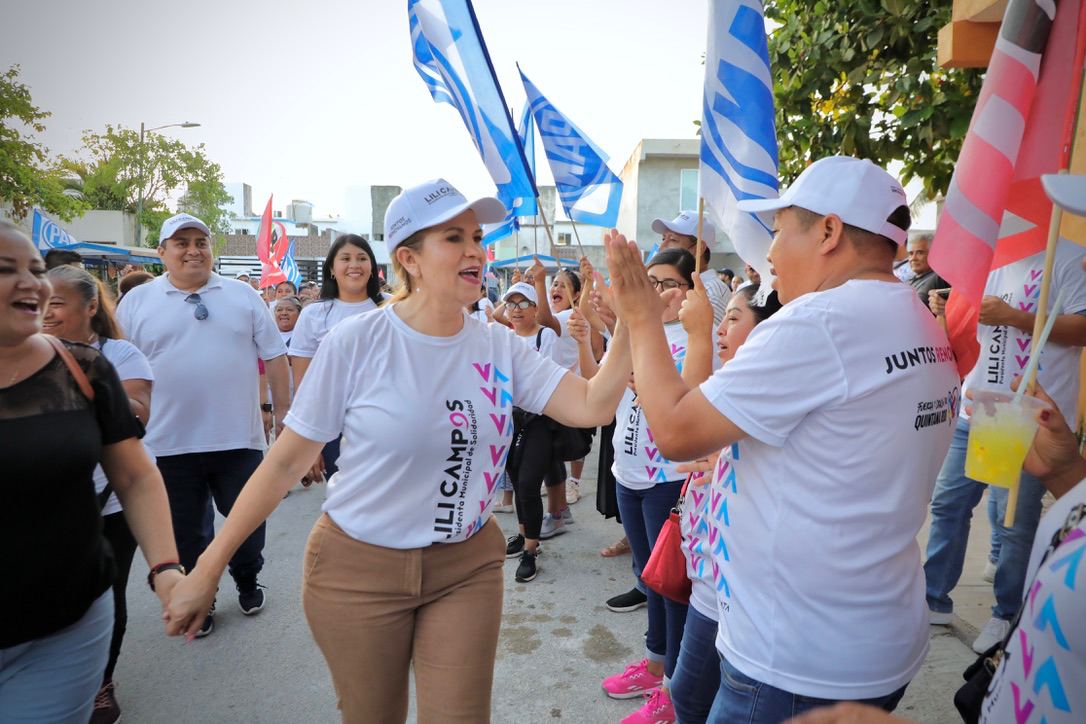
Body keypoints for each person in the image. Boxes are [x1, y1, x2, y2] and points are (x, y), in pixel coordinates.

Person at [163, 179, 635, 723]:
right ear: (408, 258)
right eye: (454, 238)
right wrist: (205, 570)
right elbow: (286, 461)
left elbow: (594, 404)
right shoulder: (357, 341)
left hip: (466, 566)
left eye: (477, 237)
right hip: (358, 569)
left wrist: (629, 321)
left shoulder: (498, 344)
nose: (475, 251)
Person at [604, 156, 960, 722]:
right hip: (878, 631)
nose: (769, 253)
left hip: (795, 658)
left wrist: (642, 316)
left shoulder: (819, 322)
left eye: (781, 229)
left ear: (828, 231)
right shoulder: (915, 315)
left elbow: (672, 430)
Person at [0, 222, 182, 724]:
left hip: (67, 627)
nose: (32, 285)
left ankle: (103, 683)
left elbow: (135, 476)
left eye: (35, 270)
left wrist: (166, 569)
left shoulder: (89, 368)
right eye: (4, 269)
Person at [117, 212, 291, 637]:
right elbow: (119, 368)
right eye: (182, 243)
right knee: (188, 534)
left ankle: (247, 579)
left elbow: (275, 356)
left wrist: (284, 415)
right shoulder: (136, 303)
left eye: (201, 241)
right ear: (162, 253)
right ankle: (203, 595)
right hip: (166, 445)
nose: (193, 250)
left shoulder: (243, 296)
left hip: (239, 439)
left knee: (247, 524)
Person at [923, 236, 1086, 653]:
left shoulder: (1067, 257)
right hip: (977, 408)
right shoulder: (986, 257)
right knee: (949, 504)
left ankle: (1006, 614)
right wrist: (947, 312)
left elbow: (1082, 329)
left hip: (1029, 415)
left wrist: (1016, 316)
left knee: (1012, 522)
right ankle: (932, 599)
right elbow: (963, 334)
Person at [582, 248, 715, 723]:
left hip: (666, 480)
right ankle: (656, 663)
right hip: (629, 473)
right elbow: (597, 388)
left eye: (666, 282)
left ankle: (673, 688)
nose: (656, 291)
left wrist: (647, 386)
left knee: (672, 586)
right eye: (649, 281)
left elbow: (692, 407)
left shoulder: (700, 337)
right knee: (647, 577)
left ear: (688, 289)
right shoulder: (639, 331)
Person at [43, 265, 156, 724]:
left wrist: (84, 375)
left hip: (106, 503)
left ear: (91, 307)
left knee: (105, 597)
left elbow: (137, 418)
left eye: (57, 303)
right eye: (40, 302)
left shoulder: (120, 356)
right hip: (38, 508)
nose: (45, 314)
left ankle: (100, 682)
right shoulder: (19, 355)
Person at [668, 282, 782, 724]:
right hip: (706, 575)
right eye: (723, 317)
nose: (721, 328)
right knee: (690, 691)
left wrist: (695, 336)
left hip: (726, 588)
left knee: (691, 697)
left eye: (734, 318)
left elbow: (680, 431)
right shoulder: (729, 381)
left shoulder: (760, 391)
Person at [289, 233, 385, 480]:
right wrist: (309, 444)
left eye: (362, 258)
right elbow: (303, 384)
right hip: (334, 428)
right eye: (345, 258)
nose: (354, 265)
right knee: (345, 506)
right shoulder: (313, 315)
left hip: (389, 423)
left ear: (372, 268)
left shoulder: (393, 309)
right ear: (332, 268)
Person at [499, 280, 573, 582]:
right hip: (510, 418)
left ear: (534, 308)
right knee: (516, 479)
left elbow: (547, 377)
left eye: (522, 304)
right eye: (510, 304)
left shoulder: (545, 336)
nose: (516, 310)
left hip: (539, 419)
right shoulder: (503, 338)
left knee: (529, 482)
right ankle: (522, 532)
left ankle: (531, 550)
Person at [651, 211, 732, 325]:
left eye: (673, 239)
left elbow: (707, 339)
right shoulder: (667, 283)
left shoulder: (711, 292)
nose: (662, 247)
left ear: (699, 248)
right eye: (663, 239)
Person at [904, 234, 945, 306]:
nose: (913, 258)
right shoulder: (914, 279)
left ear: (934, 254)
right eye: (911, 253)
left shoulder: (937, 278)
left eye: (920, 253)